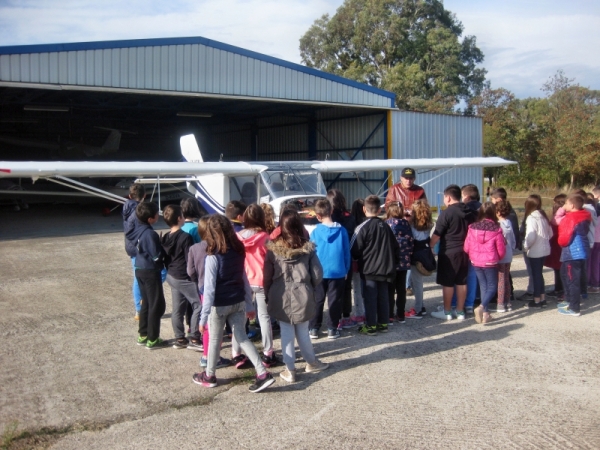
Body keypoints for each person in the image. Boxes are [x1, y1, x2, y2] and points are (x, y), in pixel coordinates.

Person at [192, 214, 275, 393]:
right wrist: (249, 304)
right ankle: (262, 373)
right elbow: (244, 278)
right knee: (242, 337)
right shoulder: (238, 251)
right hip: (238, 301)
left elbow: (209, 290)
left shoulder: (212, 257)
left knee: (215, 340)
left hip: (218, 305)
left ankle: (209, 375)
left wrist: (203, 317)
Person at [264, 210, 329, 383]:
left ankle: (290, 369)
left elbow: (267, 276)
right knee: (303, 331)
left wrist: (267, 293)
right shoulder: (308, 249)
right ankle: (311, 362)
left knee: (286, 333)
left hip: (280, 293)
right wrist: (310, 287)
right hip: (303, 293)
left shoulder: (272, 250)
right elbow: (317, 274)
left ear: (281, 227)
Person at [237, 204, 280, 367]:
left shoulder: (238, 236)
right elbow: (271, 260)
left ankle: (237, 353)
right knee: (264, 317)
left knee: (240, 318)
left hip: (244, 280)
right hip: (261, 281)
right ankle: (268, 352)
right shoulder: (265, 237)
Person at [351, 195, 399, 335]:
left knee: (370, 298)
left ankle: (371, 325)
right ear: (379, 210)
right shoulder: (386, 227)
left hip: (369, 269)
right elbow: (396, 247)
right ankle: (383, 323)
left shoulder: (361, 227)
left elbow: (354, 249)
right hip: (385, 269)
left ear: (364, 209)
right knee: (383, 296)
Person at [187, 217, 231, 369]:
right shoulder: (220, 247)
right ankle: (210, 357)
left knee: (207, 324)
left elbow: (190, 271)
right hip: (218, 289)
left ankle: (208, 355)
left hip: (202, 288)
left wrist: (198, 279)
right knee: (215, 326)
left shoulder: (194, 248)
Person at [430, 185, 476, 321]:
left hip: (449, 252)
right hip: (465, 251)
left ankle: (447, 311)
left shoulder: (447, 213)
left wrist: (430, 247)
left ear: (448, 197)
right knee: (462, 282)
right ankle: (460, 311)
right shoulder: (470, 211)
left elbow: (437, 234)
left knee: (448, 283)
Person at [161, 205, 202, 351]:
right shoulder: (186, 237)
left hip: (171, 275)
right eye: (183, 216)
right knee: (199, 305)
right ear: (179, 219)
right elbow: (190, 259)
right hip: (184, 276)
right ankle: (195, 337)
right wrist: (195, 276)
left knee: (178, 308)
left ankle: (180, 338)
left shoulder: (166, 237)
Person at [127, 201, 167, 349]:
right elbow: (156, 256)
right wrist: (162, 248)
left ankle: (143, 334)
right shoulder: (150, 234)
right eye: (157, 214)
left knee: (146, 303)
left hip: (139, 268)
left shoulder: (137, 230)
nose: (158, 215)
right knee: (156, 305)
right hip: (150, 271)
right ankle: (153, 338)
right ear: (151, 219)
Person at [309, 199, 351, 339]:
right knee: (335, 300)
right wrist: (346, 269)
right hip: (338, 270)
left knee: (318, 300)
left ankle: (314, 328)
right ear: (331, 211)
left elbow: (311, 254)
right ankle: (332, 328)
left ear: (317, 215)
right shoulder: (342, 231)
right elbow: (346, 252)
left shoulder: (314, 232)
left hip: (319, 271)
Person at [464, 202, 506, 324]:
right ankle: (482, 307)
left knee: (483, 286)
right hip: (490, 261)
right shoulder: (497, 229)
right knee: (492, 286)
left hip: (475, 261)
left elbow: (466, 247)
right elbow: (501, 250)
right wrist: (497, 257)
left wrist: (473, 255)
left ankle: (485, 314)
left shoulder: (472, 227)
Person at [327, 189, 357, 329]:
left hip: (329, 258)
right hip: (345, 256)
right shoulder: (349, 217)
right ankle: (346, 316)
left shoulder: (328, 219)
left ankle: (335, 318)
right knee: (346, 288)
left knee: (331, 291)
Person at [557, 194, 591, 316]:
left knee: (572, 280)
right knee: (570, 276)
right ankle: (572, 301)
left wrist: (560, 242)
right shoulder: (584, 217)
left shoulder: (570, 219)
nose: (564, 206)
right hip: (582, 252)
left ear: (571, 205)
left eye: (565, 203)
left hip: (572, 254)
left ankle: (574, 308)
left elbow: (564, 239)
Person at [385, 201, 414, 323]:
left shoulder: (386, 224)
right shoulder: (406, 224)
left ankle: (390, 314)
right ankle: (401, 314)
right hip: (404, 261)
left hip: (390, 261)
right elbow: (411, 241)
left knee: (390, 289)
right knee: (401, 289)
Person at [523, 195, 553, 308]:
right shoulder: (543, 216)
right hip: (544, 248)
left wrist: (526, 246)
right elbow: (550, 233)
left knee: (536, 275)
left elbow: (531, 236)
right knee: (539, 274)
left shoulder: (531, 218)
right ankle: (542, 297)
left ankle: (536, 300)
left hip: (535, 250)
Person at [406, 199, 434, 318]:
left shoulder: (411, 226)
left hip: (415, 254)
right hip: (425, 252)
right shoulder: (429, 224)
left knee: (417, 283)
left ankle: (418, 309)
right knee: (417, 281)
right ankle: (420, 305)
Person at [122, 183, 146, 320]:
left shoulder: (126, 208)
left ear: (130, 196)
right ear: (144, 196)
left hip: (130, 246)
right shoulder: (140, 211)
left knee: (137, 277)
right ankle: (143, 302)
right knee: (160, 273)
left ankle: (138, 309)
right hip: (139, 247)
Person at [496, 199, 516, 312]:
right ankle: (508, 302)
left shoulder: (498, 225)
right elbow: (512, 240)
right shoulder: (509, 223)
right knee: (506, 278)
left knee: (500, 279)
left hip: (500, 255)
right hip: (508, 253)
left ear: (498, 212)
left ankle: (500, 303)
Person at [545, 194, 567, 298]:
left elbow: (552, 234)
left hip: (556, 246)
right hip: (562, 246)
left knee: (558, 269)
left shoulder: (556, 220)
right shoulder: (568, 217)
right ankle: (559, 288)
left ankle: (559, 289)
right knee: (560, 269)